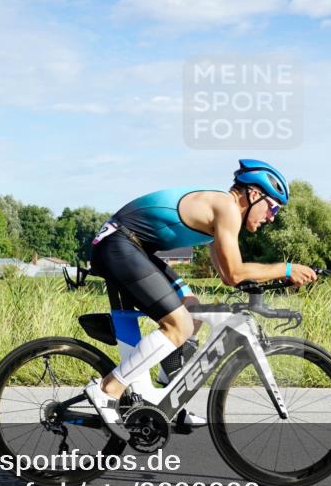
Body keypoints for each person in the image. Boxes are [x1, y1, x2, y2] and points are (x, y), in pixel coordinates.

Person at [85, 159, 318, 440]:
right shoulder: (227, 208)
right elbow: (234, 274)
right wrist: (286, 269)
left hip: (132, 246)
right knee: (178, 325)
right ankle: (107, 389)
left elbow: (226, 275)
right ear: (254, 194)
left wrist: (267, 282)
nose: (272, 217)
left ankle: (164, 395)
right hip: (119, 244)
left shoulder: (220, 218)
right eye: (274, 207)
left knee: (190, 309)